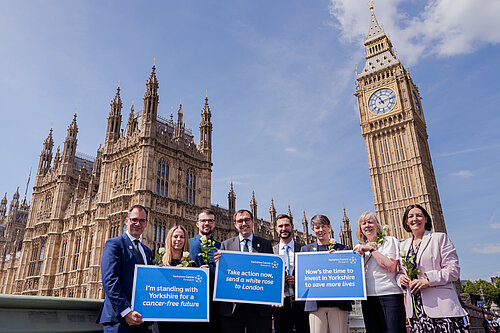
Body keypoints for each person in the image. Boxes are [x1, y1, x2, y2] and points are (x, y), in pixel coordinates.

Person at [396, 204, 468, 332]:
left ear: (426, 219)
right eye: (411, 216)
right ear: (406, 222)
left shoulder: (439, 238)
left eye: (419, 215)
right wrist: (400, 278)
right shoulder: (402, 245)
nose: (415, 219)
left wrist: (427, 281)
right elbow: (399, 272)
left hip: (442, 307)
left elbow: (453, 270)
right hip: (416, 311)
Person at [98, 204, 154, 333]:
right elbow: (110, 281)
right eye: (134, 219)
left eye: (141, 220)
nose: (137, 223)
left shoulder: (146, 251)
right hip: (118, 320)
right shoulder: (114, 244)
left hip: (141, 319)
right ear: (127, 221)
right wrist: (126, 311)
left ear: (146, 224)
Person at [217, 209, 273, 333]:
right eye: (240, 221)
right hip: (233, 308)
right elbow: (222, 277)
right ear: (235, 224)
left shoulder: (265, 244)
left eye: (247, 220)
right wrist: (218, 265)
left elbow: (271, 275)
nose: (244, 224)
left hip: (259, 309)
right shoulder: (225, 245)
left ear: (253, 222)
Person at [353, 211, 405, 333]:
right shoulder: (359, 248)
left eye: (370, 222)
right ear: (360, 229)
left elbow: (391, 266)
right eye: (363, 223)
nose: (367, 225)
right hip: (368, 299)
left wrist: (371, 250)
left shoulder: (389, 241)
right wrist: (333, 257)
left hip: (389, 296)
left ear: (377, 225)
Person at [300, 214, 352, 333]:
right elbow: (302, 277)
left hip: (338, 304)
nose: (320, 230)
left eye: (323, 226)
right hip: (315, 305)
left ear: (329, 228)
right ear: (312, 230)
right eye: (317, 227)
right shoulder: (305, 250)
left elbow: (349, 274)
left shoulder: (342, 249)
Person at [272, 214, 310, 333]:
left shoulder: (305, 249)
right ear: (276, 229)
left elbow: (312, 274)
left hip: (302, 304)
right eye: (280, 226)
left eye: (286, 225)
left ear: (292, 227)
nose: (284, 228)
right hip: (280, 305)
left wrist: (298, 281)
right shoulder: (271, 251)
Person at [157, 225, 194, 333]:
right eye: (175, 236)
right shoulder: (158, 263)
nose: (178, 240)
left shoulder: (192, 265)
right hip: (162, 319)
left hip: (184, 320)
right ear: (170, 239)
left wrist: (202, 274)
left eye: (182, 237)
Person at [189, 208, 221, 333]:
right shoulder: (187, 243)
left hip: (214, 304)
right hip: (193, 300)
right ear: (197, 223)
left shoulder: (221, 247)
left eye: (210, 221)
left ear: (214, 224)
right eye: (203, 221)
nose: (207, 224)